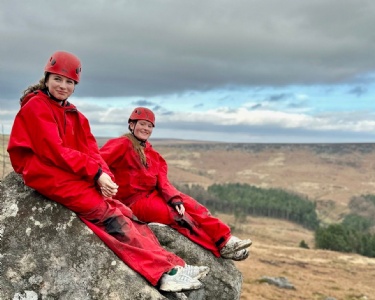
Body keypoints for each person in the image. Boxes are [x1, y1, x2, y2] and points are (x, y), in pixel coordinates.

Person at [7, 51, 209, 293]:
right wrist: (95, 174)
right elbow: (55, 152)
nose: (63, 86)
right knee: (107, 215)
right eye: (58, 79)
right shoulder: (36, 107)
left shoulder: (75, 115)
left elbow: (92, 150)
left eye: (69, 81)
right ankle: (160, 274)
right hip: (45, 173)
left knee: (125, 211)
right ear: (47, 78)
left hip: (67, 171)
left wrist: (105, 175)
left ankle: (174, 264)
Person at [99, 107, 252, 261]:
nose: (146, 128)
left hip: (152, 195)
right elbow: (98, 162)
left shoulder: (153, 154)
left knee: (193, 206)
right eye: (142, 124)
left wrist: (174, 198)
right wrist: (104, 184)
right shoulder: (122, 144)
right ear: (132, 125)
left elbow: (163, 181)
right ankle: (218, 248)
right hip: (134, 202)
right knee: (178, 216)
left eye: (149, 126)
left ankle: (225, 239)